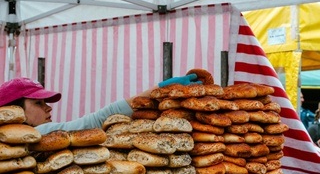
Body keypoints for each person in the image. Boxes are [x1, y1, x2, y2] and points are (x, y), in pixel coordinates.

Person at [0, 75, 200, 135]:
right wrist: (157, 89)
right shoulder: (38, 134)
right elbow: (96, 120)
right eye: (38, 103)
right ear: (13, 111)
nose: (49, 108)